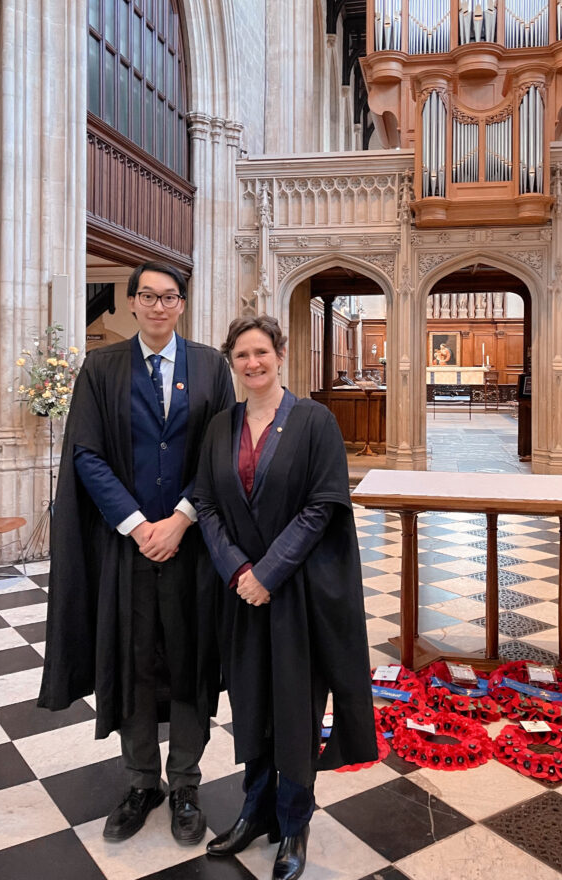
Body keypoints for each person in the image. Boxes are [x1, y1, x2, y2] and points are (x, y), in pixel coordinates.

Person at [38, 261, 234, 846]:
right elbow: (87, 454)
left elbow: (217, 452)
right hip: (127, 548)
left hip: (192, 546)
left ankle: (186, 784)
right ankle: (141, 780)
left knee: (191, 662)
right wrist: (136, 525)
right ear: (130, 304)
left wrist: (180, 518)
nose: (157, 305)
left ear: (181, 305)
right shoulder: (101, 367)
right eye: (147, 296)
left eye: (168, 296)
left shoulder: (210, 366)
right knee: (135, 663)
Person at [193, 315, 377, 880]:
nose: (252, 363)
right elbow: (205, 502)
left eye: (261, 352)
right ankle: (254, 810)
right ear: (233, 362)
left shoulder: (315, 421)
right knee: (249, 703)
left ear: (281, 353)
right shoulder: (221, 425)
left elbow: (323, 506)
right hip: (242, 595)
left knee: (295, 708)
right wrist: (237, 569)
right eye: (242, 355)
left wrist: (268, 572)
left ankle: (293, 821)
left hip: (294, 593)